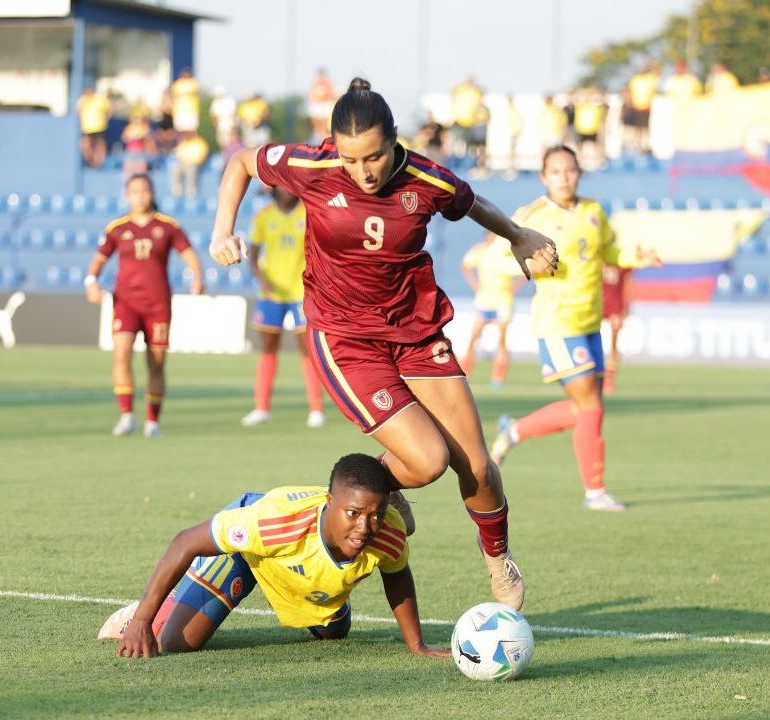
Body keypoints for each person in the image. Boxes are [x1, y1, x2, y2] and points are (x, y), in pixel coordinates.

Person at [209, 78, 559, 609]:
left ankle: (498, 560)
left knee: (479, 467)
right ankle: (344, 502)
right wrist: (221, 231)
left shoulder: (425, 178)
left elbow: (471, 201)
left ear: (395, 140)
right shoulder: (311, 166)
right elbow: (240, 161)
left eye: (373, 157)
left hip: (416, 331)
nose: (362, 172)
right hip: (347, 340)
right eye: (350, 160)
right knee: (425, 462)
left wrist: (518, 235)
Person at [98, 453, 449, 660]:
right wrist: (144, 620)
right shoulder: (271, 523)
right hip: (251, 549)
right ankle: (148, 612)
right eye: (354, 513)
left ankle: (325, 596)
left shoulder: (387, 532)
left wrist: (417, 645)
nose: (365, 526)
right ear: (331, 502)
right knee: (176, 643)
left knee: (334, 635)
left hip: (302, 566)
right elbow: (184, 542)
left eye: (376, 513)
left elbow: (398, 576)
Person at [490, 145, 660, 511]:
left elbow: (610, 253)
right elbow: (497, 258)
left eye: (570, 170)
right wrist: (532, 267)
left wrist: (635, 258)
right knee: (591, 406)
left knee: (585, 408)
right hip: (557, 322)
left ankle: (513, 432)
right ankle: (595, 491)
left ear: (579, 173)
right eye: (555, 171)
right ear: (543, 177)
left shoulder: (594, 211)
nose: (564, 177)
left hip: (589, 322)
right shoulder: (532, 215)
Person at [84, 173, 204, 437]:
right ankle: (126, 416)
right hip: (125, 302)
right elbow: (98, 260)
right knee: (121, 353)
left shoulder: (168, 226)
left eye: (145, 191)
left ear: (152, 193)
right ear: (127, 195)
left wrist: (198, 277)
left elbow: (189, 253)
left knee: (157, 363)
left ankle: (152, 420)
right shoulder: (117, 228)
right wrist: (91, 281)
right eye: (135, 191)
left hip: (157, 305)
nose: (140, 196)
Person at [241, 186, 325, 429]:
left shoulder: (308, 214)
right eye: (283, 185)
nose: (289, 188)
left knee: (307, 350)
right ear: (274, 189)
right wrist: (262, 279)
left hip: (301, 292)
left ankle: (316, 408)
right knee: (268, 347)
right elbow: (254, 255)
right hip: (271, 293)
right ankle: (262, 407)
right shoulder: (264, 216)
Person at [460, 233, 521, 386]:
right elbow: (465, 265)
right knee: (473, 337)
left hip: (503, 301)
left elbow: (528, 268)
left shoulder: (508, 251)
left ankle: (498, 379)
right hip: (484, 300)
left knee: (501, 340)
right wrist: (474, 284)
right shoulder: (480, 250)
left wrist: (515, 286)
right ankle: (464, 374)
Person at [601, 265, 632, 395]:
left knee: (613, 344)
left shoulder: (621, 262)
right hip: (596, 304)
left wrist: (625, 308)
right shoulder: (596, 257)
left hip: (615, 306)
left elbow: (627, 284)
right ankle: (594, 376)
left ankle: (609, 379)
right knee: (592, 339)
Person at [76, 86, 112, 168]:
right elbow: (78, 111)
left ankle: (98, 162)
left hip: (99, 127)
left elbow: (109, 110)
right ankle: (90, 160)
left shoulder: (100, 99)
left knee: (99, 144)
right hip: (86, 128)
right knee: (86, 144)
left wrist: (105, 119)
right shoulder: (82, 100)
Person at [170, 130, 210, 198]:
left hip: (195, 164)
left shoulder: (200, 142)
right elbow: (178, 154)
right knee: (174, 167)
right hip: (183, 163)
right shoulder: (184, 142)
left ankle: (191, 190)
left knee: (191, 168)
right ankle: (177, 188)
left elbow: (203, 156)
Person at [308, 68, 337, 143]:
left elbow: (332, 93)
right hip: (317, 105)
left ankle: (324, 137)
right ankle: (317, 136)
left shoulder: (328, 83)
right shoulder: (315, 83)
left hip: (325, 105)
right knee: (317, 123)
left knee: (325, 124)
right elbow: (311, 94)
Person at [170, 68, 201, 133]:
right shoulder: (177, 84)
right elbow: (173, 96)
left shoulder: (193, 83)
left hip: (191, 110)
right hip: (179, 110)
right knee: (180, 130)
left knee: (191, 129)